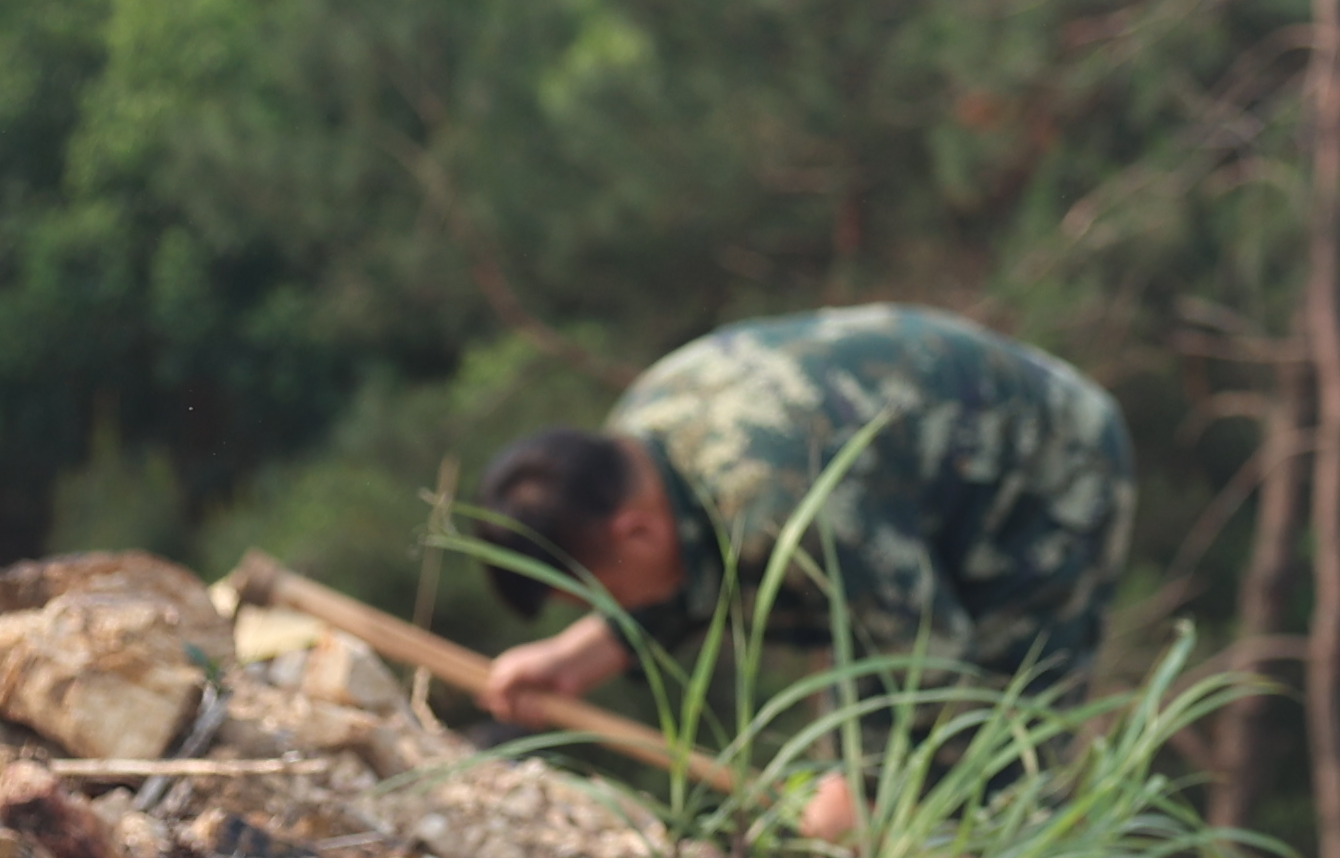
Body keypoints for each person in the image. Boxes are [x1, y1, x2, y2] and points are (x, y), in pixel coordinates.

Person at [477, 306, 1132, 738]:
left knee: (1005, 732)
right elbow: (695, 557)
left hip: (1049, 466)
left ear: (634, 532)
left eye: (605, 596)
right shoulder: (639, 435)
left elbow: (930, 659)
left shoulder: (787, 507)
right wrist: (583, 654)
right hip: (922, 475)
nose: (610, 607)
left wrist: (863, 788)